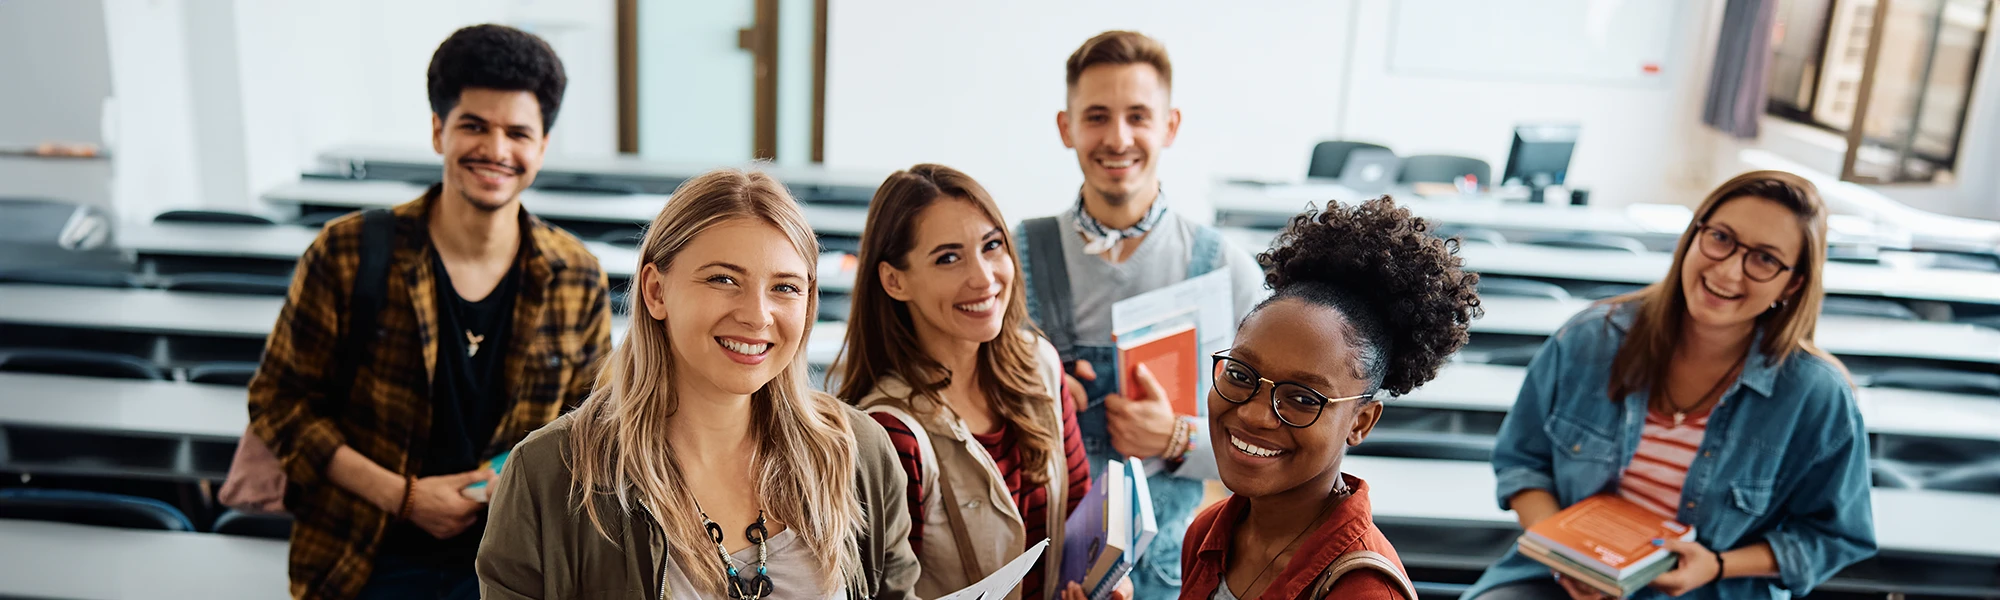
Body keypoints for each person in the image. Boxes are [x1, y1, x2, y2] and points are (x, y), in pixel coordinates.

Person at [246, 24, 610, 600]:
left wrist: (493, 484)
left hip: (517, 560)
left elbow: (586, 423)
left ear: (541, 147)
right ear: (439, 131)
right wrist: (406, 496)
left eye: (518, 132)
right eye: (474, 126)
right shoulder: (348, 252)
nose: (496, 150)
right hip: (363, 556)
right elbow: (279, 402)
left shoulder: (575, 274)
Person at [475, 169, 920, 600]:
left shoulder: (858, 452)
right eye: (723, 279)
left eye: (785, 288)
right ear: (655, 291)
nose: (757, 315)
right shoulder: (549, 475)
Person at [1463, 171, 1877, 600]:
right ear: (1694, 234)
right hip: (1556, 583)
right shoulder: (1590, 339)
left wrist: (1716, 565)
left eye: (1765, 259)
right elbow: (1522, 463)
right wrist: (1566, 556)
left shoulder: (1818, 395)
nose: (1730, 270)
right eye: (1721, 238)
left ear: (1792, 284)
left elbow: (1835, 535)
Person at [1016, 30, 1267, 600]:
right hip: (1040, 562)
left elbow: (1266, 440)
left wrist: (1177, 437)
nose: (1118, 138)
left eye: (1138, 116)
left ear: (1170, 126)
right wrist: (1033, 398)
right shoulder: (1013, 258)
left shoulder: (1225, 270)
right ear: (1066, 127)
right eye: (1097, 116)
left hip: (1168, 573)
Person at [1166, 198, 1479, 600]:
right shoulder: (1208, 533)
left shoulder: (1363, 592)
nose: (1255, 415)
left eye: (1302, 398)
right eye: (1241, 375)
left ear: (1360, 422)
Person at [835, 164, 1092, 600]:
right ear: (894, 280)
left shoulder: (1041, 367)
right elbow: (892, 591)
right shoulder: (890, 431)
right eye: (948, 258)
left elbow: (1080, 514)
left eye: (992, 246)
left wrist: (1101, 579)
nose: (984, 277)